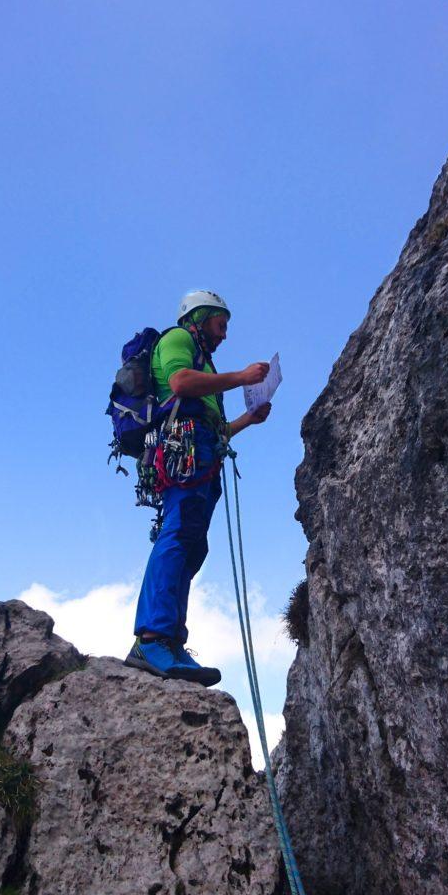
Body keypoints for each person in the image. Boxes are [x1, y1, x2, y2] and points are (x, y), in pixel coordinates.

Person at [125, 290, 271, 687]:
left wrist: (247, 419)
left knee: (191, 544)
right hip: (184, 453)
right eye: (220, 325)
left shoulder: (206, 365)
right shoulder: (178, 339)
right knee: (178, 535)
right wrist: (241, 377)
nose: (224, 335)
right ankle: (152, 637)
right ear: (201, 318)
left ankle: (170, 639)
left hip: (201, 453)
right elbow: (179, 381)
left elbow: (217, 429)